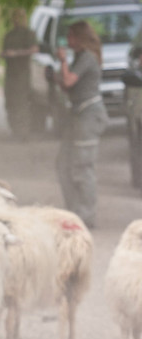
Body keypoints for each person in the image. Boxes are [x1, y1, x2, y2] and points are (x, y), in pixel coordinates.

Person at [55, 20, 108, 230]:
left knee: (83, 167)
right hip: (77, 117)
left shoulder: (87, 57)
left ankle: (85, 216)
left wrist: (63, 60)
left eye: (71, 36)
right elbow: (69, 86)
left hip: (88, 117)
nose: (68, 40)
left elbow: (68, 81)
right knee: (64, 164)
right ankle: (74, 212)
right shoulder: (81, 57)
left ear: (79, 37)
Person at [0, 8, 38, 139]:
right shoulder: (9, 35)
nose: (17, 20)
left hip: (22, 74)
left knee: (22, 102)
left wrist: (16, 54)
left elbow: (34, 49)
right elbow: (3, 52)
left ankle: (23, 132)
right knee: (10, 102)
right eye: (15, 17)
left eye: (20, 17)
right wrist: (6, 54)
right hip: (11, 74)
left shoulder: (28, 34)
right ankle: (15, 130)